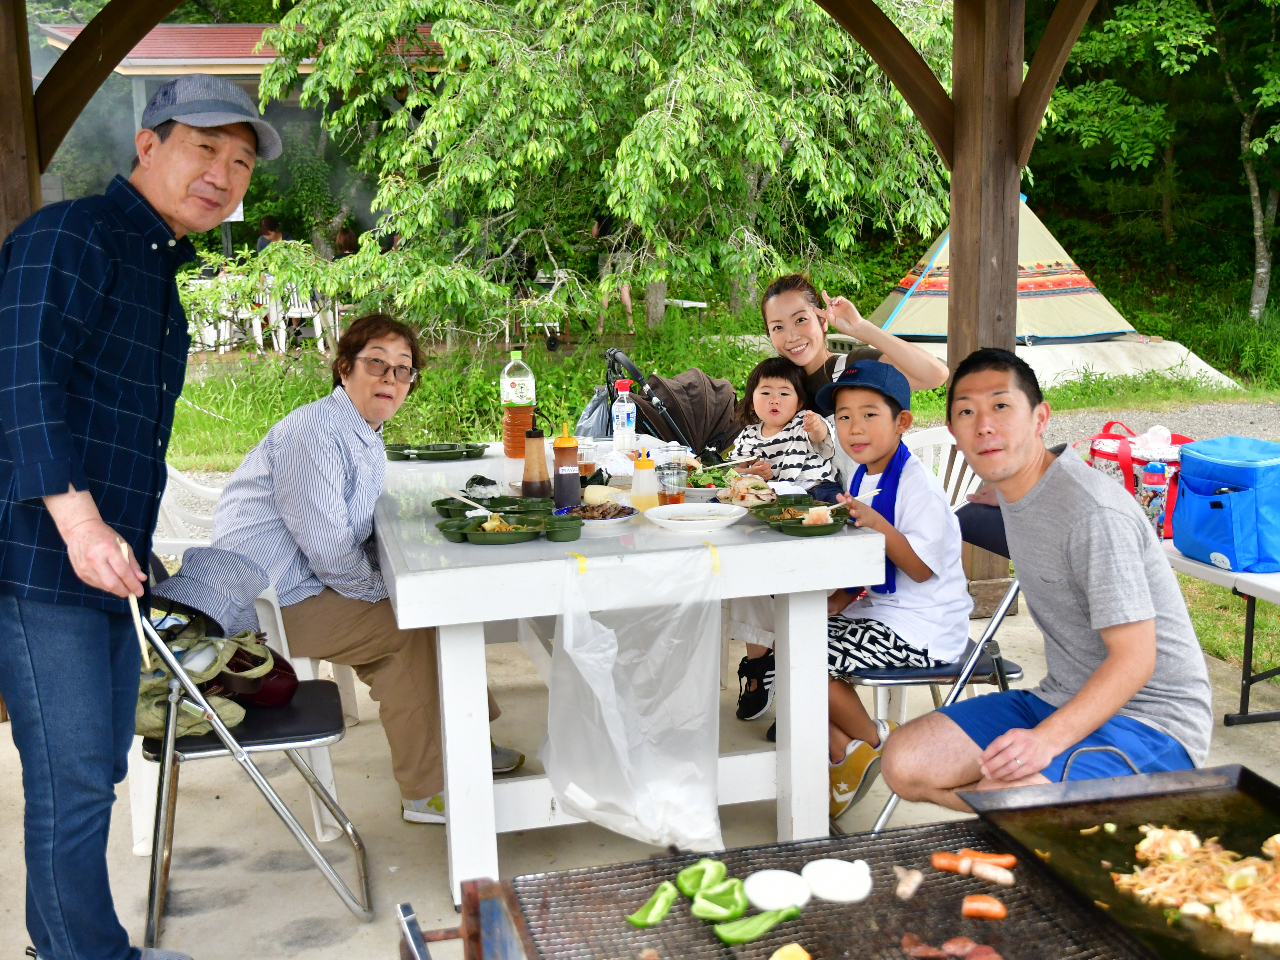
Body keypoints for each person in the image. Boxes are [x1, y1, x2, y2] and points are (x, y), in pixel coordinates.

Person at [0, 74, 280, 960]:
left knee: (97, 769)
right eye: (204, 148)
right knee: (75, 779)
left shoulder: (158, 268)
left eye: (241, 162)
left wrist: (128, 547)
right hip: (39, 562)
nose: (223, 174)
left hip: (109, 571)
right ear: (148, 145)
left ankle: (69, 947)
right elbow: (21, 383)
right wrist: (82, 526)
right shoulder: (69, 235)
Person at [211, 314, 524, 825]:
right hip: (265, 605)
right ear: (344, 369)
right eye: (376, 363)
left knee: (430, 611)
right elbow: (331, 551)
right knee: (406, 628)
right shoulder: (314, 435)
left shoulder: (360, 431)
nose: (390, 378)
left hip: (298, 583)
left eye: (403, 369)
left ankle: (465, 741)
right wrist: (390, 589)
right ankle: (429, 790)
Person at [882, 348, 1213, 808]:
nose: (984, 426)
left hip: (1153, 721)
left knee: (1009, 797)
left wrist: (1044, 742)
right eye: (966, 412)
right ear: (954, 434)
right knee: (905, 761)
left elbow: (1136, 660)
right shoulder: (1019, 487)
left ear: (1040, 418)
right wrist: (999, 492)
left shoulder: (1093, 513)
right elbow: (1029, 494)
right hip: (1062, 697)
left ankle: (1062, 818)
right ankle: (1053, 816)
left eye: (1001, 406)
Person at [733, 274, 952, 732]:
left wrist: (859, 328)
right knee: (744, 557)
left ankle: (817, 714)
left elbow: (935, 375)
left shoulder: (851, 369)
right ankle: (769, 672)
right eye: (777, 327)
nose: (791, 336)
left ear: (821, 317)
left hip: (861, 521)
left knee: (782, 597)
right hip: (817, 517)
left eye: (801, 319)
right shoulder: (784, 381)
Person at [812, 361, 971, 817]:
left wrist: (878, 525)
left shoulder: (919, 487)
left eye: (869, 415)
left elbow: (919, 569)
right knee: (791, 640)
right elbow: (866, 560)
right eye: (844, 417)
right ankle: (849, 753)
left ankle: (876, 743)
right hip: (884, 612)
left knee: (805, 659)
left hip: (923, 627)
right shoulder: (864, 473)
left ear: (902, 422)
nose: (854, 428)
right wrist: (839, 600)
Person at [732, 356, 836, 496]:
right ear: (751, 402)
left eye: (784, 393)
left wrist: (816, 426)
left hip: (815, 488)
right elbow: (733, 470)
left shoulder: (802, 421)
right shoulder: (748, 436)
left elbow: (819, 437)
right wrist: (752, 472)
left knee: (839, 507)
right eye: (766, 393)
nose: (774, 400)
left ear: (799, 403)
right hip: (777, 494)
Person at [593, 215, 635, 334]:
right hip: (623, 251)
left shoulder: (600, 207)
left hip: (605, 251)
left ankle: (600, 327)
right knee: (624, 288)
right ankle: (630, 325)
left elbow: (594, 233)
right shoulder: (627, 206)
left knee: (604, 290)